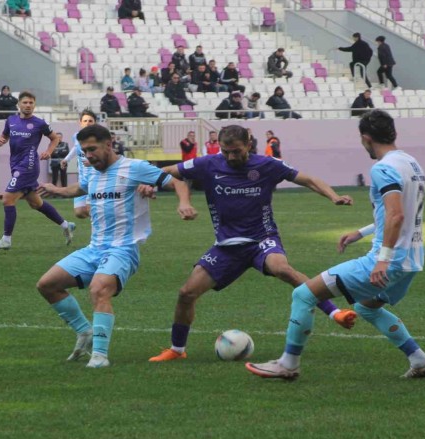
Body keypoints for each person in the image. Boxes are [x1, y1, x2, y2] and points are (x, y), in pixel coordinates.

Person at [246, 109, 425, 380]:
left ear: (366, 138)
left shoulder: (383, 168)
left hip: (389, 259)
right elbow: (401, 214)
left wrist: (382, 259)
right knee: (366, 307)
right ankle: (420, 361)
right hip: (413, 259)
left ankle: (288, 364)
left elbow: (396, 215)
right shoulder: (411, 163)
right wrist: (360, 233)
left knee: (303, 294)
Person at [148, 125, 356, 363]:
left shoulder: (267, 164)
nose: (231, 157)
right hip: (227, 246)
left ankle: (335, 313)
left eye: (236, 151)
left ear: (248, 144)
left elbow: (307, 179)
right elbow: (169, 172)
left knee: (283, 270)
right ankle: (177, 349)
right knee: (186, 293)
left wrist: (334, 196)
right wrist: (153, 185)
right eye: (226, 151)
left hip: (262, 239)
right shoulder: (208, 163)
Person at [36, 124, 194, 368]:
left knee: (99, 289)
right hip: (94, 249)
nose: (88, 156)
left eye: (92, 149)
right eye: (84, 151)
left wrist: (183, 203)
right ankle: (84, 331)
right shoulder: (92, 172)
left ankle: (100, 356)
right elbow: (81, 187)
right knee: (47, 285)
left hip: (123, 249)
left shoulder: (134, 167)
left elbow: (177, 182)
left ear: (109, 145)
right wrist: (57, 190)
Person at [0, 91, 76, 250]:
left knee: (7, 199)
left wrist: (48, 152)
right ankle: (66, 225)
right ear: (19, 104)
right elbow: (5, 136)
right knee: (36, 203)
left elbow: (55, 138)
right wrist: (1, 140)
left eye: (31, 103)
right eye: (25, 102)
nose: (28, 105)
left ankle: (6, 240)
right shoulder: (11, 120)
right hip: (16, 164)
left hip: (28, 166)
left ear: (34, 105)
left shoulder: (39, 123)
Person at [60, 109, 97, 219]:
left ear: (95, 123)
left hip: (95, 179)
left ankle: (99, 226)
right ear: (80, 122)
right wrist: (66, 159)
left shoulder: (99, 138)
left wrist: (93, 162)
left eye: (90, 121)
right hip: (82, 179)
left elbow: (106, 155)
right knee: (79, 212)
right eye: (85, 121)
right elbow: (76, 148)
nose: (87, 123)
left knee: (91, 209)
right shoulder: (76, 136)